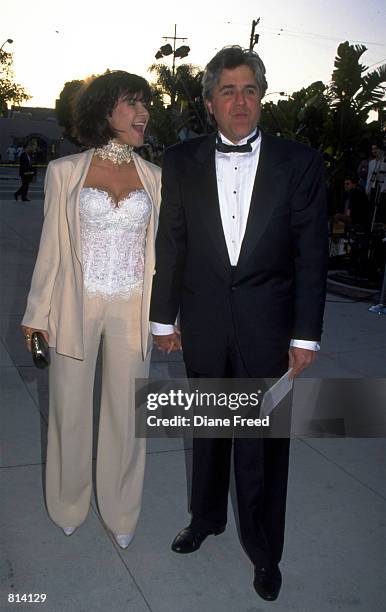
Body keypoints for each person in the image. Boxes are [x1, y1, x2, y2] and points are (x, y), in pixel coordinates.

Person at [150, 46, 328, 601]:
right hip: (202, 322)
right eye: (227, 91)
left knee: (264, 445)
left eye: (249, 89)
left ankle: (264, 551)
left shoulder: (298, 163)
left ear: (262, 96)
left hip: (268, 326)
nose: (239, 101)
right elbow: (172, 244)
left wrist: (305, 334)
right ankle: (205, 518)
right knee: (208, 430)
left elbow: (310, 255)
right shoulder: (179, 162)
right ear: (209, 103)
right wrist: (163, 319)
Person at [21, 71, 161, 549]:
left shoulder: (156, 178)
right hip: (74, 303)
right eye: (132, 104)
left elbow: (163, 254)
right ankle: (68, 504)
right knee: (70, 409)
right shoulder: (66, 173)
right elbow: (50, 251)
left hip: (133, 305)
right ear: (105, 111)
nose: (143, 114)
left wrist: (169, 318)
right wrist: (36, 314)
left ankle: (122, 510)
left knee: (129, 414)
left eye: (145, 104)